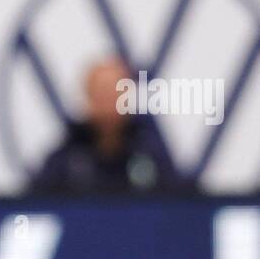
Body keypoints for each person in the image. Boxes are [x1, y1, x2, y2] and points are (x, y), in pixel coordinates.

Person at [30, 58, 188, 195]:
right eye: (101, 94)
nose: (108, 103)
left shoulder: (151, 154)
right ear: (88, 98)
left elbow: (177, 204)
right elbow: (39, 204)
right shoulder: (66, 159)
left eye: (115, 94)